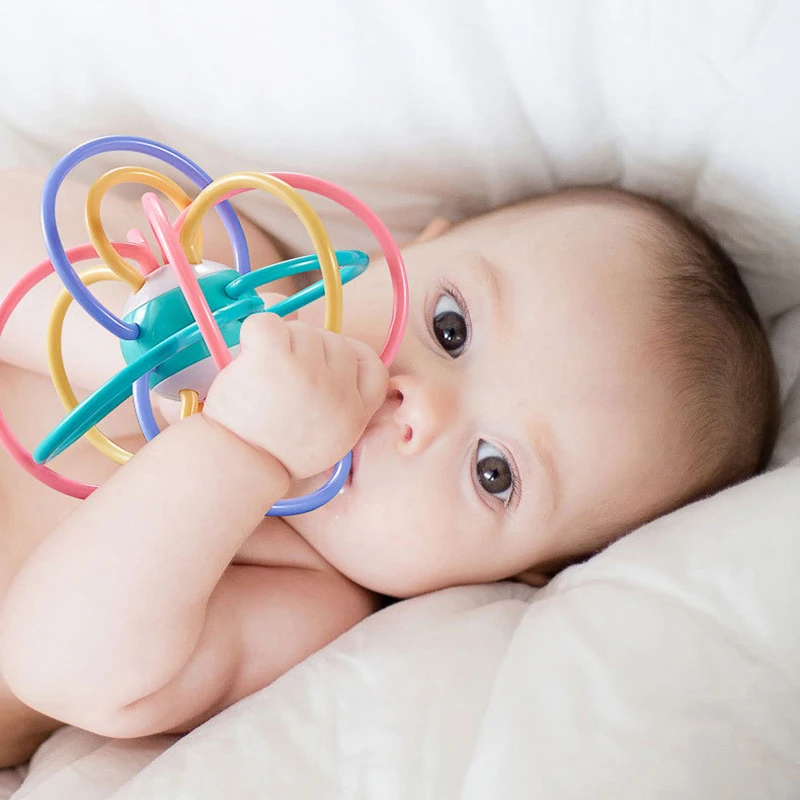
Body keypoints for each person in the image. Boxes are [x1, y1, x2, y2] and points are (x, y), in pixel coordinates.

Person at [0, 172, 780, 768]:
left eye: (495, 473)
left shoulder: (308, 606)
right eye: (450, 326)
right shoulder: (234, 257)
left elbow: (56, 665)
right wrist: (149, 339)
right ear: (408, 249)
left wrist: (240, 447)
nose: (423, 410)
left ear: (521, 574)